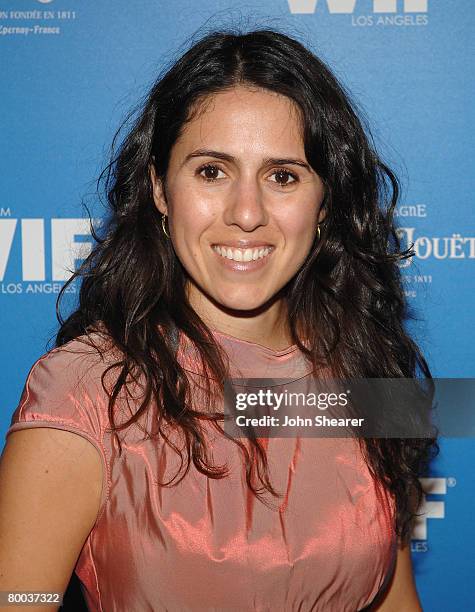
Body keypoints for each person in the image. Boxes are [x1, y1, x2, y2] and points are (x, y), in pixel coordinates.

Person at [0, 28, 438, 611]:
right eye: (212, 171)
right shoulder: (83, 393)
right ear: (159, 187)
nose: (247, 214)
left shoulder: (363, 370)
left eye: (282, 176)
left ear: (325, 201)